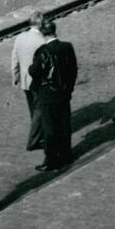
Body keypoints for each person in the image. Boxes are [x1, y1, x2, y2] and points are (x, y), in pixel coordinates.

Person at [28, 19, 77, 171]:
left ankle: (51, 160)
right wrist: (68, 88)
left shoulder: (43, 51)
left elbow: (34, 71)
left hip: (47, 95)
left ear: (43, 33)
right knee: (64, 125)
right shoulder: (67, 47)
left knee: (50, 129)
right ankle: (66, 155)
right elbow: (73, 70)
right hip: (63, 93)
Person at [10, 10, 47, 151]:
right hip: (39, 81)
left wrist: (15, 76)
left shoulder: (20, 37)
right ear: (41, 24)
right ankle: (33, 140)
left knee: (33, 108)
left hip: (26, 80)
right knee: (40, 109)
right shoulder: (42, 41)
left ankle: (38, 132)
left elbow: (15, 58)